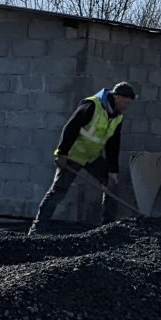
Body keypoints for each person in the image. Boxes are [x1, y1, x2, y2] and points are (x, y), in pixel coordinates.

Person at [31, 82, 135, 235]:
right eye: (125, 102)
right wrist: (62, 153)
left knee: (111, 183)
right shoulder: (92, 106)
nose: (126, 106)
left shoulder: (117, 117)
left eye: (129, 104)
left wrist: (113, 170)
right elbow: (71, 127)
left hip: (92, 157)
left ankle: (108, 228)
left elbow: (113, 144)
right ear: (117, 97)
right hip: (73, 155)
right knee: (58, 191)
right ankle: (37, 230)